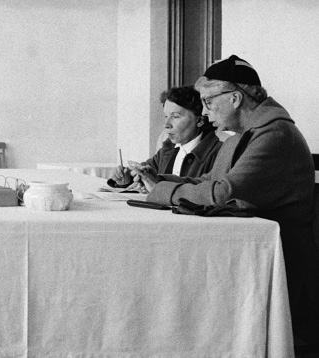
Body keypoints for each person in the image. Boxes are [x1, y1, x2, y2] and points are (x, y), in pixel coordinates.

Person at [135, 55, 319, 345]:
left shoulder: (274, 134)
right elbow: (210, 181)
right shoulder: (245, 132)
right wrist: (162, 183)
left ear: (234, 98)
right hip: (252, 256)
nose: (205, 114)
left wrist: (159, 192)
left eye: (208, 102)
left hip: (282, 270)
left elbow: (224, 193)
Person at [109, 85, 222, 188]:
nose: (166, 124)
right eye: (166, 116)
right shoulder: (169, 148)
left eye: (175, 116)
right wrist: (127, 178)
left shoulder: (218, 152)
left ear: (200, 120)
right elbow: (146, 172)